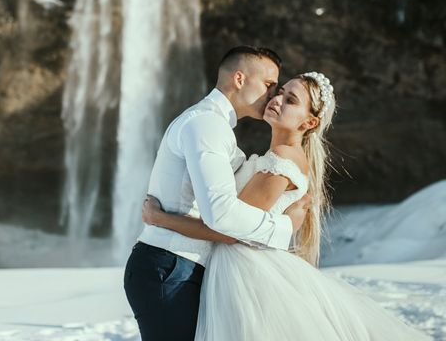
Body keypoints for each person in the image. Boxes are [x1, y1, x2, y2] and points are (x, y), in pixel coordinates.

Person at [142, 72, 429, 340]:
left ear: (309, 123)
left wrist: (160, 218)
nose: (276, 100)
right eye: (280, 92)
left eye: (291, 100)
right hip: (236, 267)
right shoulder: (279, 156)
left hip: (241, 273)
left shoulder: (280, 160)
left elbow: (227, 229)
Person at [123, 46, 311, 341]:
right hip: (170, 266)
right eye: (269, 85)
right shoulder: (206, 124)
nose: (273, 96)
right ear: (239, 79)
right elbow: (220, 213)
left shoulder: (215, 126)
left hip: (178, 267)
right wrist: (284, 228)